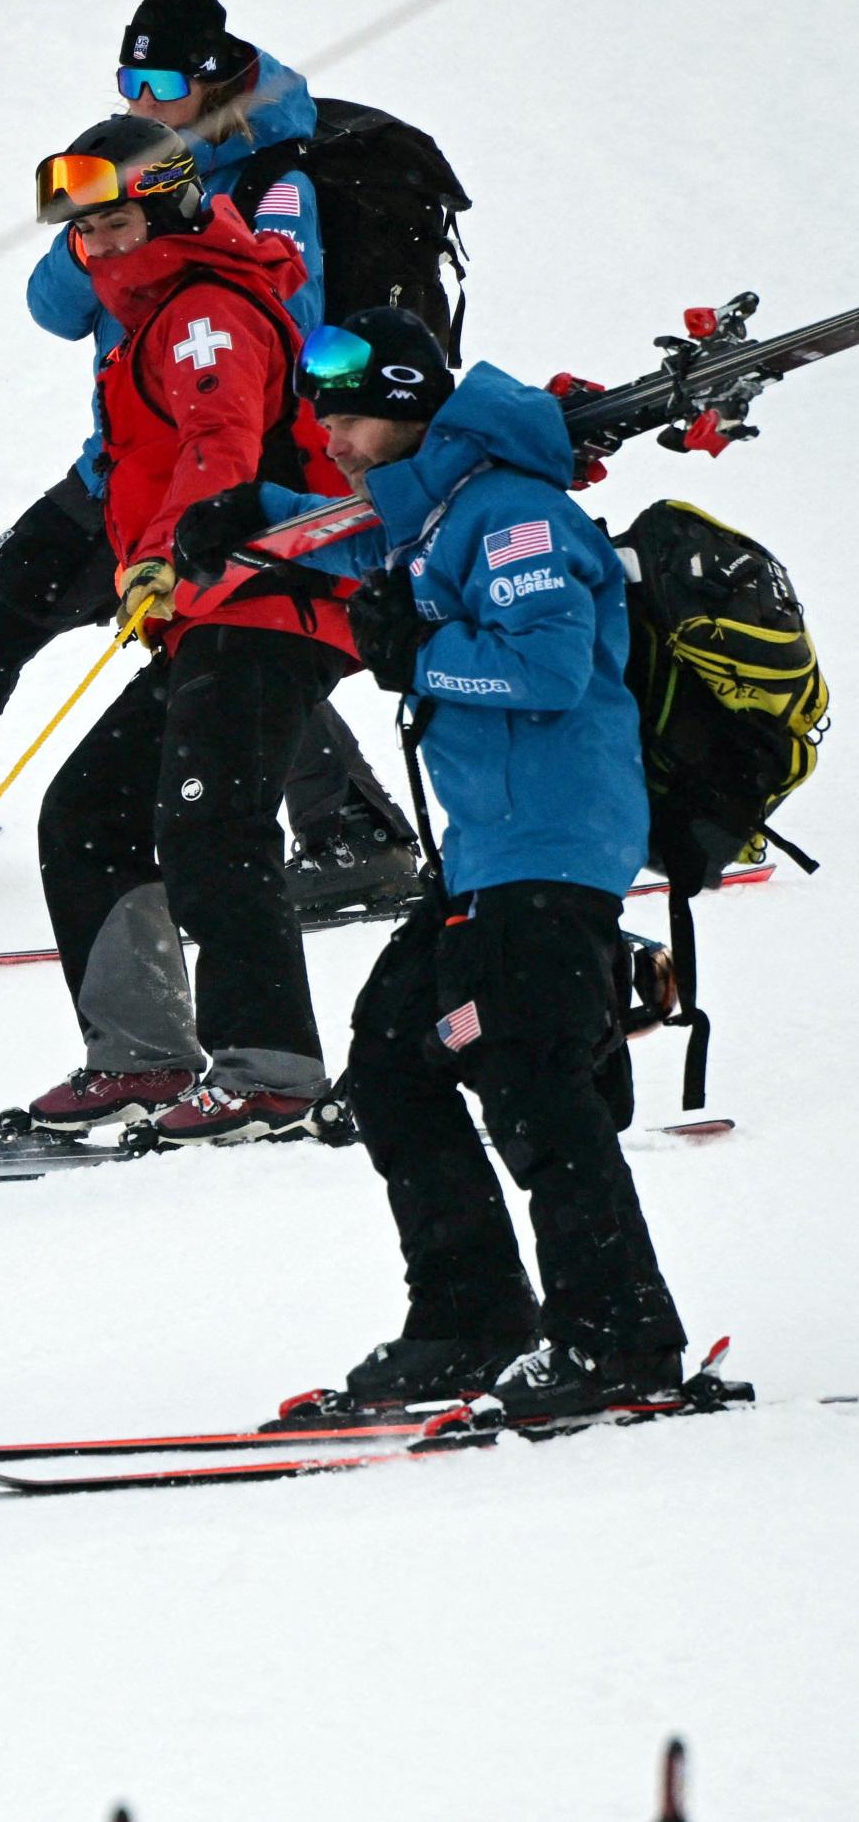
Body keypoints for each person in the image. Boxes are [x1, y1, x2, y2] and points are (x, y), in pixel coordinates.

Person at [177, 308, 689, 1413]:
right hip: (485, 854)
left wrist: (422, 653)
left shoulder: (511, 514)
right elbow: (343, 534)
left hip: (551, 847)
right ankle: (471, 1318)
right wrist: (246, 513)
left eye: (353, 418)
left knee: (530, 1075)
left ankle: (621, 1340)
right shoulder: (436, 510)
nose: (338, 439)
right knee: (395, 1059)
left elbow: (549, 671)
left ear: (410, 404)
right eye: (327, 419)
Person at [0, 0, 414, 921]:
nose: (139, 99)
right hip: (117, 471)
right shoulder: (123, 170)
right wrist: (105, 219)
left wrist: (173, 233)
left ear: (215, 78)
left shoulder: (276, 183)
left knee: (236, 655)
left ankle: (357, 840)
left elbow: (287, 324)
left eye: (160, 80)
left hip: (225, 479)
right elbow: (52, 310)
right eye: (127, 77)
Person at [15, 116, 359, 1148]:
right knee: (89, 809)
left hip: (268, 598)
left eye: (115, 224)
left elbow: (222, 440)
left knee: (213, 820)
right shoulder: (156, 309)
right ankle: (142, 1056)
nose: (101, 250)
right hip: (207, 609)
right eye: (85, 236)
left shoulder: (205, 307)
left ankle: (272, 1069)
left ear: (164, 201)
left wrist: (166, 550)